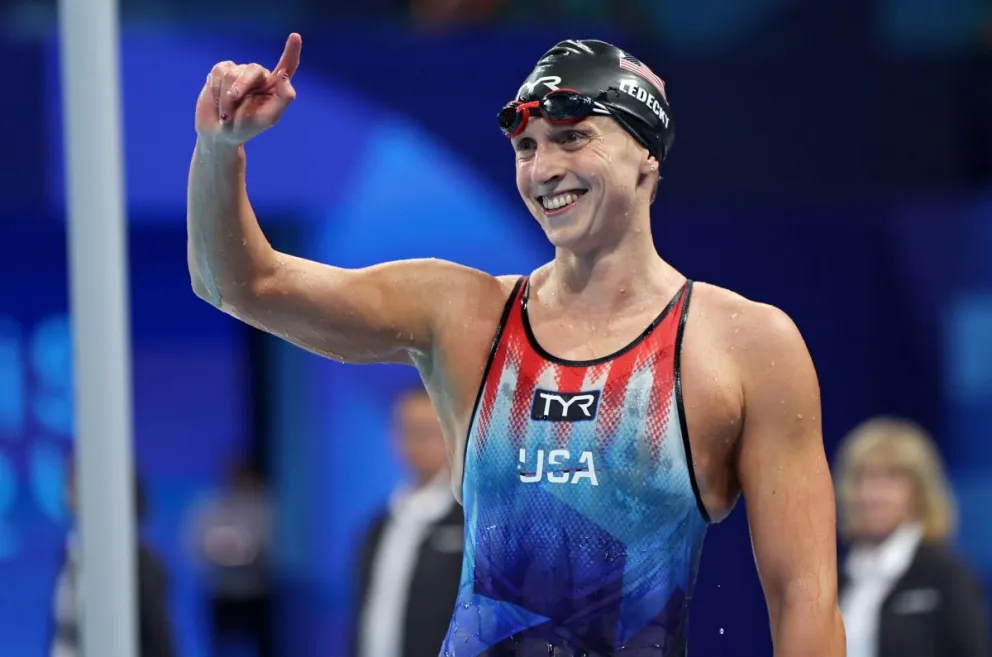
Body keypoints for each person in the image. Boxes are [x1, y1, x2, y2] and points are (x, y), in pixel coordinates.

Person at [187, 34, 844, 655]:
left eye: (572, 137)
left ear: (647, 152)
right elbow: (240, 284)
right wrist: (220, 150)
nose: (545, 169)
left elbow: (804, 595)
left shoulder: (744, 345)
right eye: (527, 147)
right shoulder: (464, 315)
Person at [835, 417, 990, 657]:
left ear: (919, 491)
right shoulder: (839, 579)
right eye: (862, 477)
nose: (872, 494)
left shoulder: (945, 575)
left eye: (890, 479)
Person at [351, 388, 464, 657]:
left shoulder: (472, 523)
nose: (413, 444)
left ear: (452, 436)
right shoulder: (380, 524)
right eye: (405, 430)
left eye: (424, 431)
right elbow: (366, 614)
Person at [51, 463, 175, 657]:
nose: (67, 490)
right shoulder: (71, 553)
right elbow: (61, 630)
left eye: (74, 481)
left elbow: (158, 638)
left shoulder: (140, 563)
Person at [185, 459, 273, 657]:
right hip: (220, 592)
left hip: (257, 593)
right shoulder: (210, 506)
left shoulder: (265, 505)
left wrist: (248, 551)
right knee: (219, 647)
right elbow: (195, 545)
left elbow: (270, 545)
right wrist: (222, 550)